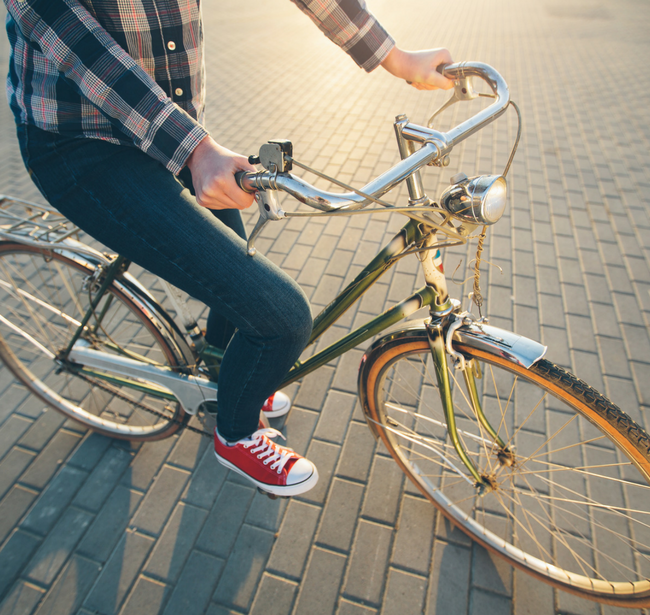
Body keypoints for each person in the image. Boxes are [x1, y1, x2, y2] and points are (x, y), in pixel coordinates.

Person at [3, 0, 453, 497]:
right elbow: (69, 33)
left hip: (171, 128)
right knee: (280, 316)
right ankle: (236, 434)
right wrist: (193, 148)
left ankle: (224, 377)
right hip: (82, 145)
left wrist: (396, 58)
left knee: (237, 290)